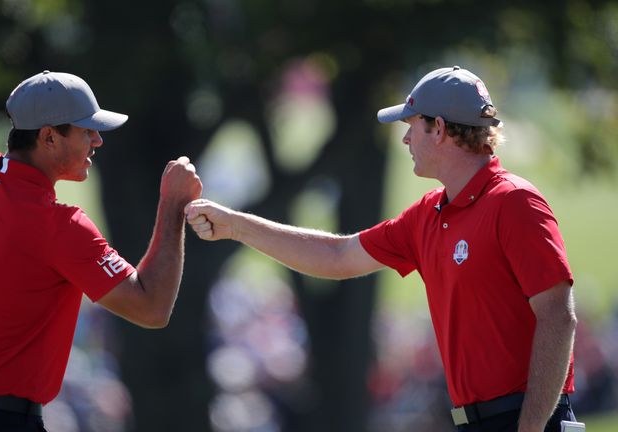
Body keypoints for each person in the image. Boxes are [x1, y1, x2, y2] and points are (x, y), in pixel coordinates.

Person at [185, 66, 577, 432]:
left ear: (438, 129)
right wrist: (237, 226)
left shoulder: (514, 202)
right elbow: (337, 257)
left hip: (529, 417)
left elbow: (558, 317)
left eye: (412, 127)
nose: (405, 138)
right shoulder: (428, 214)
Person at [0, 70, 202, 431]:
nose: (97, 141)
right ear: (48, 137)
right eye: (86, 130)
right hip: (0, 421)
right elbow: (152, 308)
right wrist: (172, 206)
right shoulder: (60, 225)